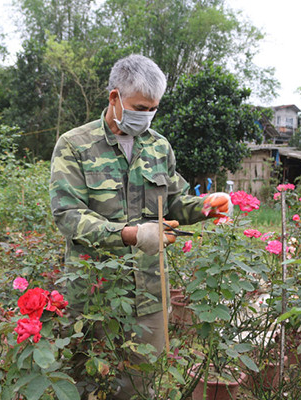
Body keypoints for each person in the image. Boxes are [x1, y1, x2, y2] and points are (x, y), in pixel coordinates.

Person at [49, 54, 231, 399]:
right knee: (87, 384)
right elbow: (68, 214)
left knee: (140, 386)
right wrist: (129, 235)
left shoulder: (159, 146)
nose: (145, 115)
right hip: (94, 295)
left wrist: (208, 206)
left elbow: (175, 199)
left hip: (149, 292)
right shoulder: (75, 145)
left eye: (152, 108)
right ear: (114, 98)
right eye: (139, 106)